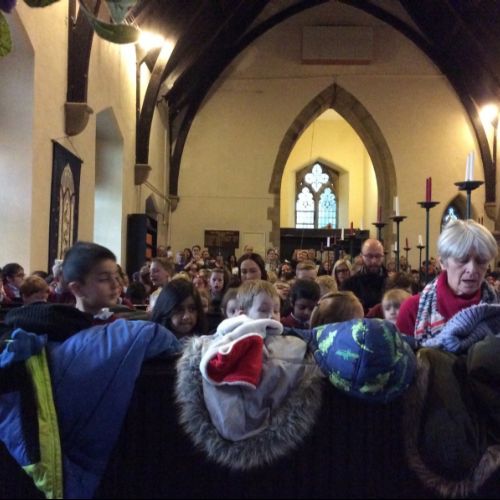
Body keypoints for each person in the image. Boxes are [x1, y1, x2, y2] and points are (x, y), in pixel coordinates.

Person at [397, 219, 499, 343]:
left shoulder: (497, 307)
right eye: (462, 259)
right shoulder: (412, 309)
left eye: (481, 261)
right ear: (443, 262)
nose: (472, 269)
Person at [341, 239, 387, 313]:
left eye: (378, 256)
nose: (374, 261)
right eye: (369, 256)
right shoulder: (349, 284)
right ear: (361, 256)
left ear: (383, 256)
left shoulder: (392, 282)